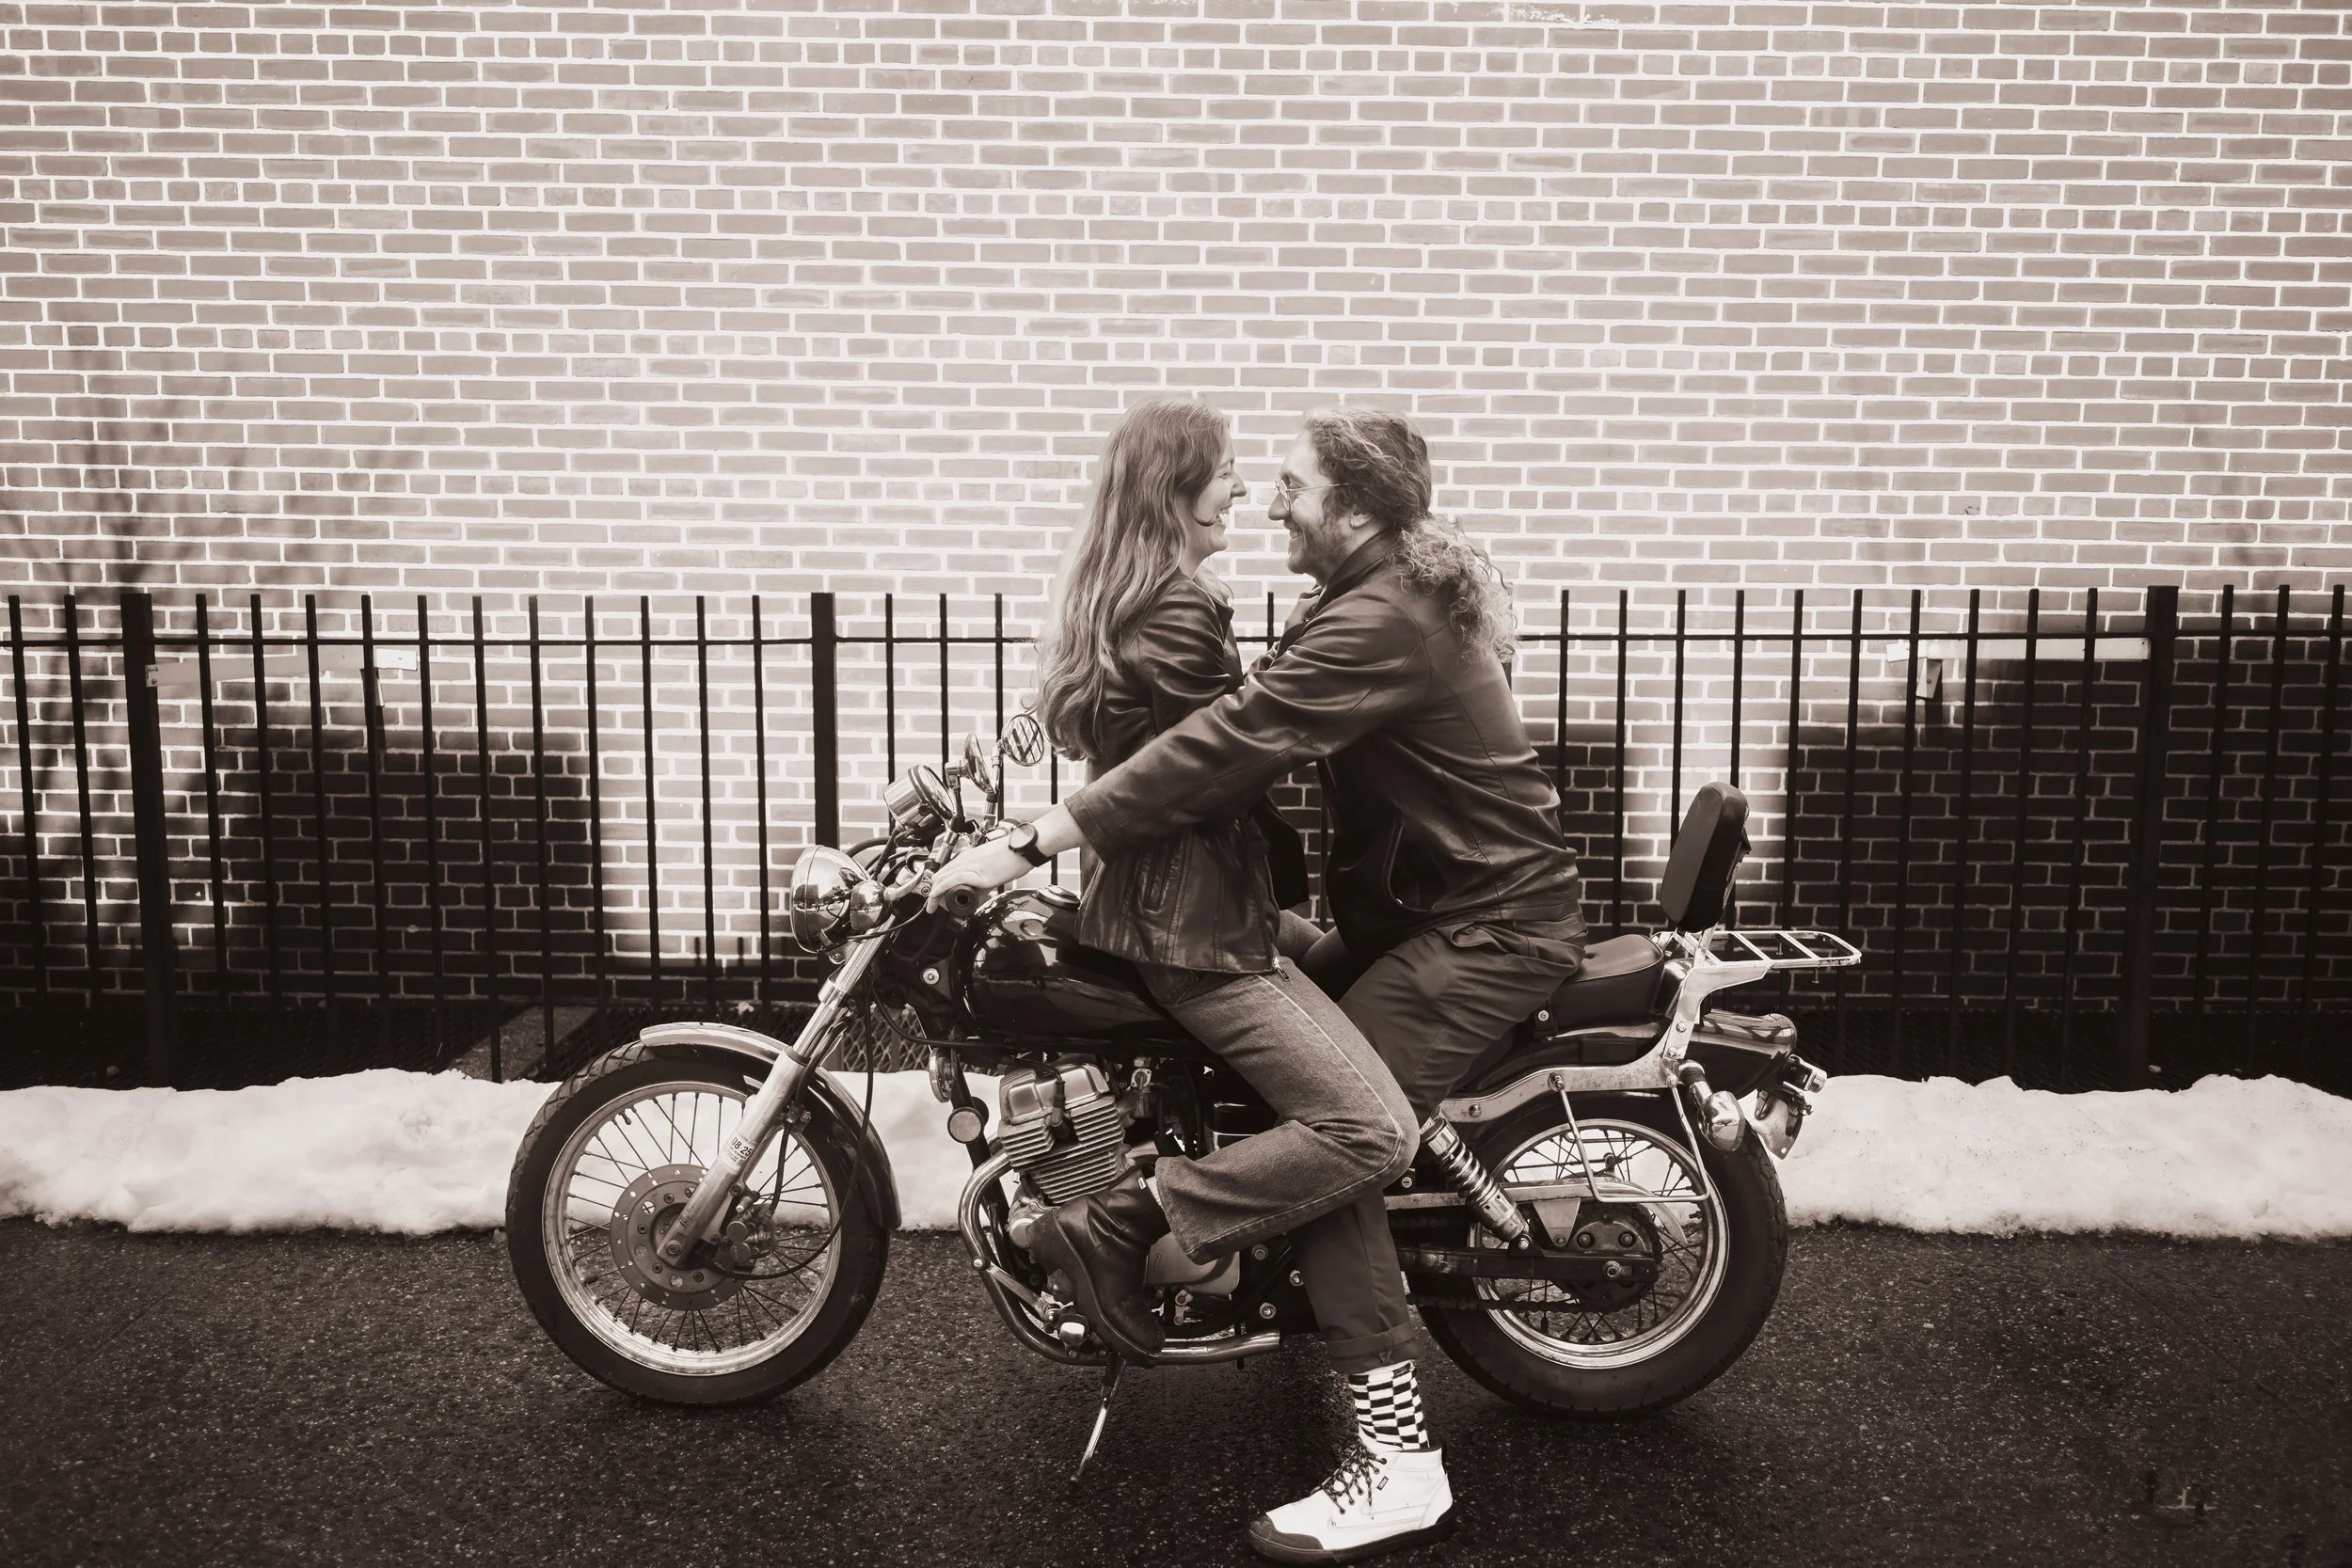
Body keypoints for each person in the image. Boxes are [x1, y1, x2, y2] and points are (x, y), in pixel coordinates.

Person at [932, 407, 1587, 1564]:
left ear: (1358, 507)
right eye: (1259, 479)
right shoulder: (1361, 597)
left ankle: (1395, 1462)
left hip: (1483, 929)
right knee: (1301, 1102)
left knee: (1346, 1133)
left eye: (1292, 484)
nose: (1269, 498)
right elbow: (1206, 732)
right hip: (1420, 917)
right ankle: (1258, 1276)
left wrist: (1034, 840)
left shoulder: (1383, 616)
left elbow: (1228, 742)